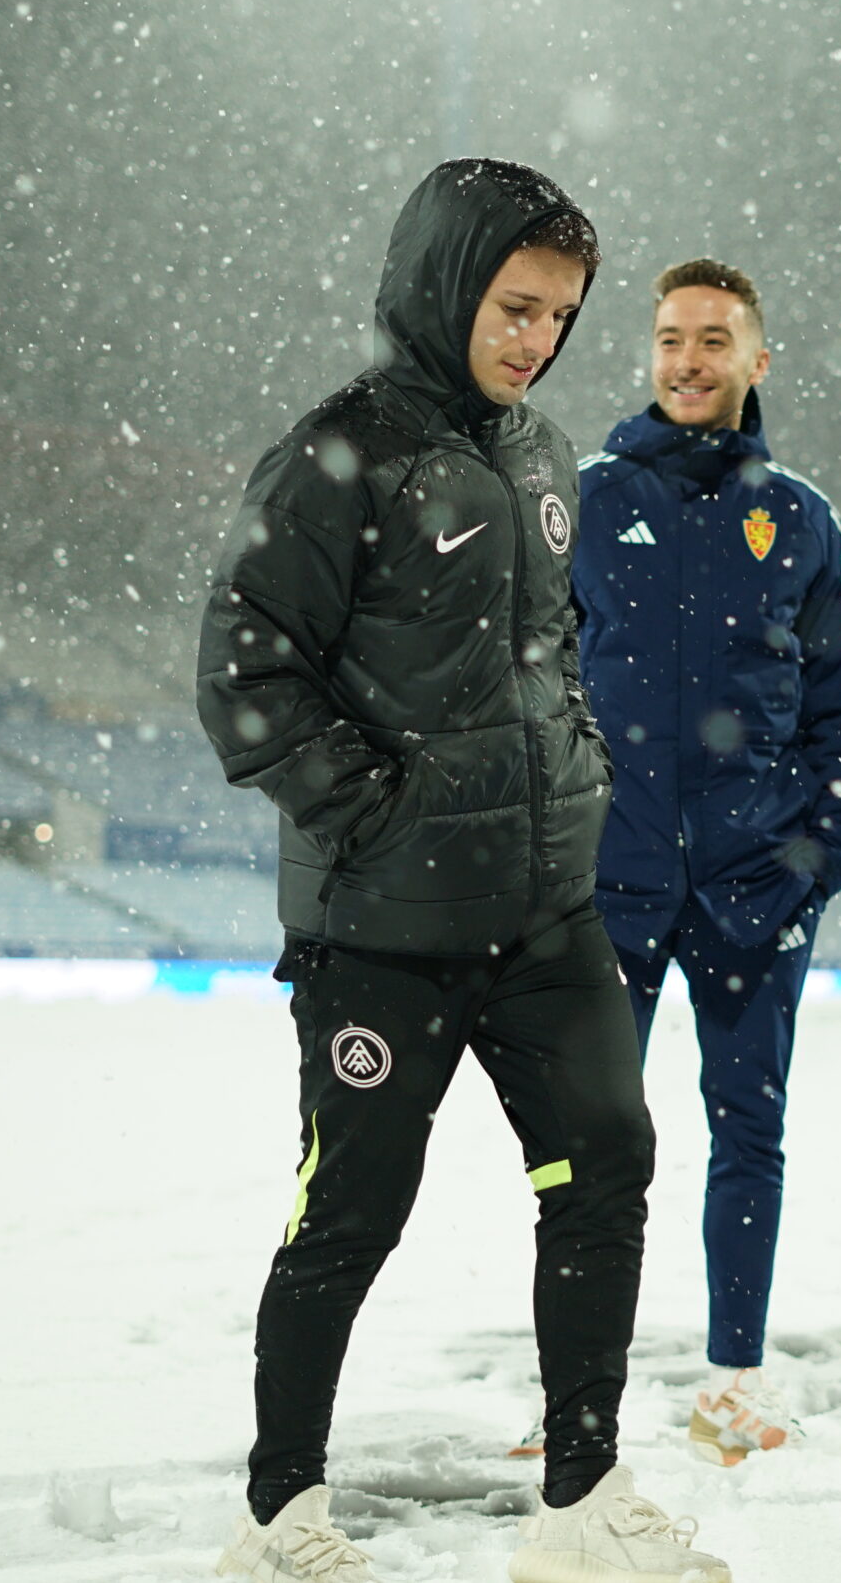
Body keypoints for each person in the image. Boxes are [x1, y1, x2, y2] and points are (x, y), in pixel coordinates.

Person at [197, 157, 731, 1583]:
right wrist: (376, 815)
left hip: (545, 908)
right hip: (382, 925)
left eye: (559, 313)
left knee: (608, 1157)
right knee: (353, 1211)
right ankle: (281, 1508)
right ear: (448, 285)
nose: (536, 338)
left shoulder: (541, 455)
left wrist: (578, 772)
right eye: (514, 304)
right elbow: (244, 673)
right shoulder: (338, 454)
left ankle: (579, 1498)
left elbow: (547, 656)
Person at [569, 258, 841, 1467]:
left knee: (748, 1129)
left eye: (713, 340)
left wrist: (812, 857)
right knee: (592, 1146)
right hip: (614, 881)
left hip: (757, 887)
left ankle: (732, 1385)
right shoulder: (584, 498)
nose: (687, 361)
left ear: (759, 362)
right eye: (668, 339)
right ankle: (574, 1393)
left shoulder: (799, 516)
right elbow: (530, 673)